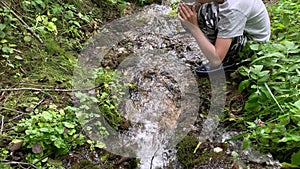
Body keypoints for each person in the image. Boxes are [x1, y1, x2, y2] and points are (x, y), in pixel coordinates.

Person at [178, 0, 271, 77]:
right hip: (241, 29)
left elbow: (216, 60)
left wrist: (194, 28)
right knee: (189, 11)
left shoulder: (234, 8)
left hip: (253, 47)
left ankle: (230, 60)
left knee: (206, 15)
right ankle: (219, 49)